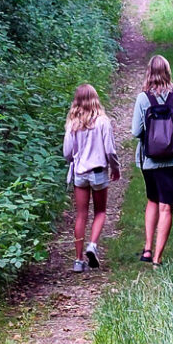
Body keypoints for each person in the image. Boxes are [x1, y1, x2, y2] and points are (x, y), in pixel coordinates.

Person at [132, 54, 173, 268]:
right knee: (166, 207)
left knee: (152, 199)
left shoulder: (143, 98)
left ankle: (148, 249)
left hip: (149, 161)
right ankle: (158, 259)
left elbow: (135, 132)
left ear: (149, 73)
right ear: (168, 72)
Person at [63, 84, 120, 273]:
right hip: (98, 172)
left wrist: (76, 159)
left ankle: (78, 260)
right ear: (95, 98)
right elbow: (110, 150)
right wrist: (115, 168)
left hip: (80, 173)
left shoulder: (73, 122)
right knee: (100, 212)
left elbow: (67, 153)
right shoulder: (103, 121)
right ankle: (92, 245)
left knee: (81, 215)